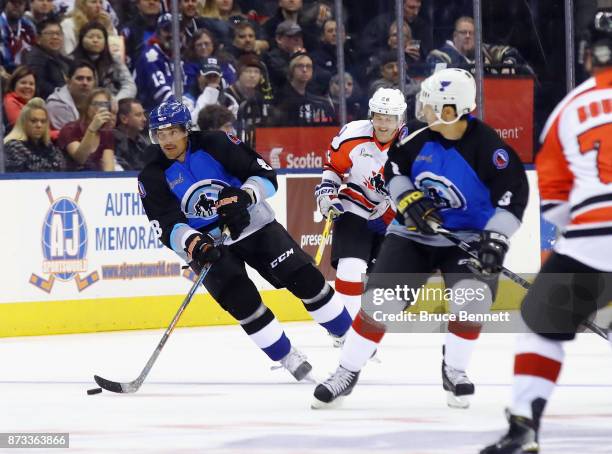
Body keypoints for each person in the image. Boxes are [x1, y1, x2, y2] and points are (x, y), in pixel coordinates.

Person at [312, 68, 529, 409]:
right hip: (412, 235)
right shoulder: (414, 136)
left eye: (429, 106)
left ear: (450, 111)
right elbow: (394, 171)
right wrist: (408, 199)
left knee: (472, 300)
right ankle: (346, 371)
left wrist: (496, 239)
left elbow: (513, 197)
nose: (421, 111)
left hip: (468, 236)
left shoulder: (488, 148)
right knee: (380, 303)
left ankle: (454, 369)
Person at [137, 100, 352, 380]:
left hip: (254, 224)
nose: (166, 140)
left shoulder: (216, 143)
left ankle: (348, 335)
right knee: (242, 302)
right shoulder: (152, 174)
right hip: (209, 246)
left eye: (172, 132)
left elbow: (264, 175)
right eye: (160, 134)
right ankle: (287, 357)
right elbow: (165, 224)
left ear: (186, 130)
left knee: (304, 278)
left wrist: (244, 196)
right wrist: (194, 244)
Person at [480, 11, 612, 453]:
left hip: (592, 236)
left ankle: (524, 427)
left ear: (591, 54)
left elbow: (554, 196)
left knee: (540, 324)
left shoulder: (571, 107)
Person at [314, 87, 405, 321]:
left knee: (389, 287)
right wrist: (327, 193)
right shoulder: (352, 134)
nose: (383, 124)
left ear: (400, 119)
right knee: (351, 267)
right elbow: (334, 168)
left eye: (390, 118)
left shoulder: (414, 145)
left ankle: (368, 325)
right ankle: (347, 329)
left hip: (394, 216)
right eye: (378, 117)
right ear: (371, 114)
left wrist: (391, 213)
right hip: (356, 203)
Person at [70, 21, 136, 100]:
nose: (95, 40)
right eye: (90, 37)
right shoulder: (70, 61)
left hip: (113, 102)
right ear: (81, 40)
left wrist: (116, 100)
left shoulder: (114, 60)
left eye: (99, 37)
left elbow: (130, 86)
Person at [57, 87, 115, 170]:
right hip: (72, 178)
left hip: (96, 179)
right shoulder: (70, 129)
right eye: (96, 104)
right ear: (87, 107)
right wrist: (92, 129)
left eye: (105, 104)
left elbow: (109, 167)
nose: (101, 108)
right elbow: (80, 158)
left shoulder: (106, 133)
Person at [273, 50, 334, 126]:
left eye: (308, 66)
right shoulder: (281, 97)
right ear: (292, 70)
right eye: (300, 66)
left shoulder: (316, 99)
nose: (305, 70)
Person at [3, 97, 65, 172]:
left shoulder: (49, 145)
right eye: (33, 121)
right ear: (24, 123)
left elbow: (62, 166)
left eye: (43, 121)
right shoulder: (13, 146)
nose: (39, 125)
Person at [23, 17, 72, 99]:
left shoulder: (64, 60)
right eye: (50, 34)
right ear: (38, 39)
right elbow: (40, 87)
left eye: (59, 33)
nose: (55, 37)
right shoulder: (35, 58)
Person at [46, 59, 96, 129]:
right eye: (80, 78)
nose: (85, 83)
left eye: (89, 79)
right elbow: (73, 136)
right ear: (68, 81)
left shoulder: (97, 100)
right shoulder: (58, 105)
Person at [113, 98, 151, 170]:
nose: (144, 119)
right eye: (138, 115)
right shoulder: (114, 141)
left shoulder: (141, 142)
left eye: (143, 114)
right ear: (124, 119)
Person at [0, 0, 37, 71]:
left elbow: (34, 53)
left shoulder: (30, 26)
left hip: (24, 72)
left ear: (25, 6)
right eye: (13, 2)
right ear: (5, 3)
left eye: (20, 3)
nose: (17, 6)